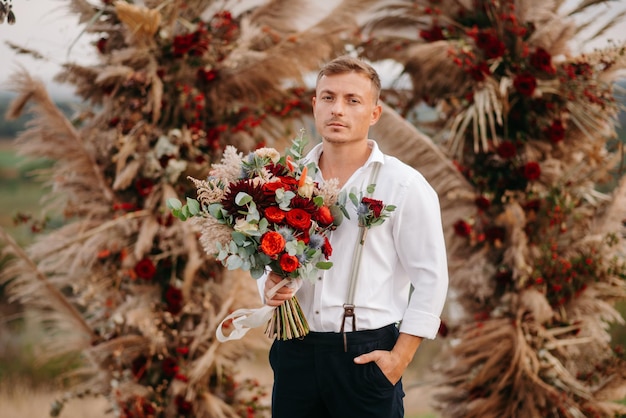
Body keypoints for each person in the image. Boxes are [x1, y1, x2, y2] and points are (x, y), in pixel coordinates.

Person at [259, 55, 449, 418]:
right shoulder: (284, 180)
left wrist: (398, 359)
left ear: (374, 114)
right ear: (315, 105)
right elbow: (260, 257)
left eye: (353, 100)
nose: (337, 110)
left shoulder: (405, 185)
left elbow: (431, 279)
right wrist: (268, 286)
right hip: (295, 351)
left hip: (366, 355)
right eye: (328, 98)